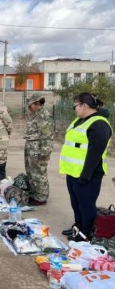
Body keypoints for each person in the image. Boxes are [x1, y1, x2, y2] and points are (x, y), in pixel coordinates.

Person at [60, 92, 112, 241]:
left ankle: (85, 234)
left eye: (75, 106)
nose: (74, 109)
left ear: (85, 106)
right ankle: (77, 228)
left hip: (88, 174)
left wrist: (85, 175)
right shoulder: (80, 121)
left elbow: (95, 153)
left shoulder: (99, 124)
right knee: (76, 203)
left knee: (86, 205)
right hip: (73, 172)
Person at [24, 93, 54, 206]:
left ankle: (41, 197)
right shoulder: (35, 114)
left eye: (30, 104)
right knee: (31, 172)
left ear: (37, 103)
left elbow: (47, 136)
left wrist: (44, 153)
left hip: (38, 149)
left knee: (39, 173)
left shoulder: (44, 116)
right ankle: (35, 193)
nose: (29, 107)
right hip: (31, 147)